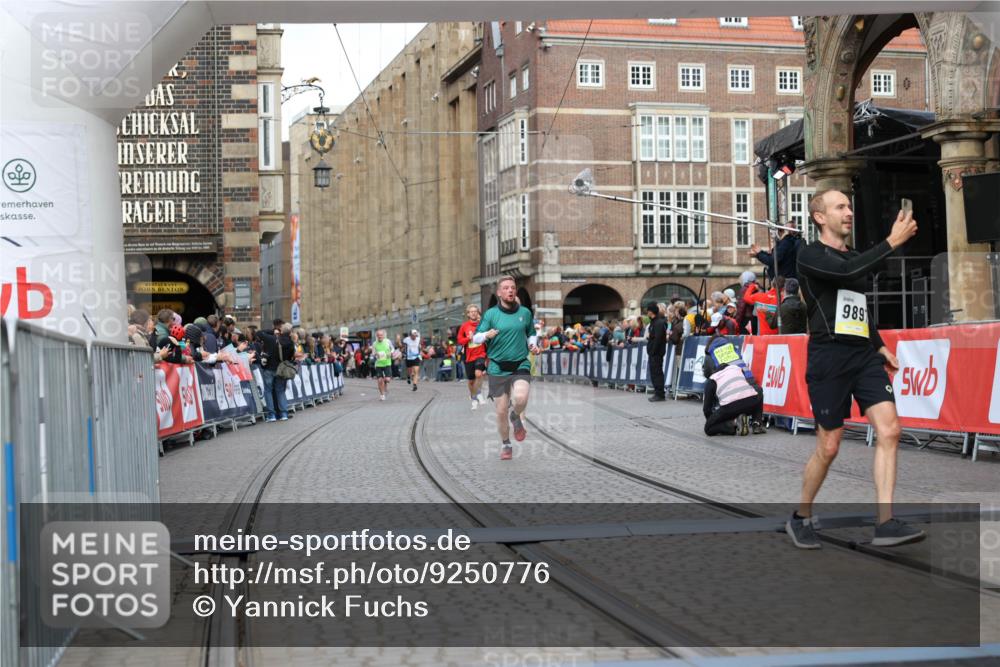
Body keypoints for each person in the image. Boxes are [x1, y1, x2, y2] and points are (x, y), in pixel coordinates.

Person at [786, 188, 922, 550]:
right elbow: (847, 271)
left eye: (849, 206)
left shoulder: (857, 256)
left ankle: (886, 522)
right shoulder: (810, 256)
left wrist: (878, 345)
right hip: (828, 358)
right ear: (819, 217)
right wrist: (891, 242)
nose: (849, 212)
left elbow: (856, 306)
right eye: (840, 207)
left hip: (862, 356)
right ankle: (800, 516)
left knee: (890, 430)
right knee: (829, 446)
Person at [472, 276, 540, 461]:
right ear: (499, 292)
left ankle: (516, 416)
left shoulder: (525, 313)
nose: (510, 290)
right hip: (497, 367)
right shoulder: (491, 314)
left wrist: (533, 345)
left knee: (521, 398)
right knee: (500, 410)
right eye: (506, 288)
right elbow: (475, 338)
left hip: (520, 363)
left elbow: (531, 334)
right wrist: (487, 334)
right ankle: (506, 444)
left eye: (512, 287)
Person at [256, 324, 295, 422]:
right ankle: (284, 414)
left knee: (268, 391)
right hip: (281, 369)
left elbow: (258, 333)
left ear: (281, 331)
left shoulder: (270, 338)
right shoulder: (290, 342)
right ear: (290, 332)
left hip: (269, 368)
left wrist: (270, 331)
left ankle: (272, 415)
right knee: (280, 391)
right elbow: (291, 357)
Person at [457, 304, 488, 410]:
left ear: (478, 313)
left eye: (475, 311)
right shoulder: (464, 326)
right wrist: (468, 339)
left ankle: (478, 393)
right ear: (468, 314)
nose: (474, 313)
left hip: (481, 354)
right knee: (471, 381)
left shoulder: (483, 324)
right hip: (469, 356)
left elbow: (488, 336)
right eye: (471, 311)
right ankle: (474, 397)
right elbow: (459, 340)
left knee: (478, 374)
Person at [645, 302, 668, 402]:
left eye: (648, 311)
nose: (647, 313)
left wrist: (653, 351)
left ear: (651, 312)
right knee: (654, 373)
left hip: (656, 353)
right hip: (653, 352)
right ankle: (657, 392)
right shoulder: (654, 322)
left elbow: (658, 339)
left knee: (657, 373)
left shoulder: (659, 323)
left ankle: (660, 394)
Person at [371, 329, 396, 401]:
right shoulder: (374, 343)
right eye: (378, 335)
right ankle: (382, 395)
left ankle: (385, 382)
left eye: (381, 335)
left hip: (387, 363)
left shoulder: (387, 341)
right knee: (379, 380)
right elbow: (373, 353)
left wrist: (390, 353)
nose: (380, 336)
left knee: (387, 379)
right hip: (379, 364)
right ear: (376, 336)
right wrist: (376, 354)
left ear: (383, 335)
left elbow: (393, 349)